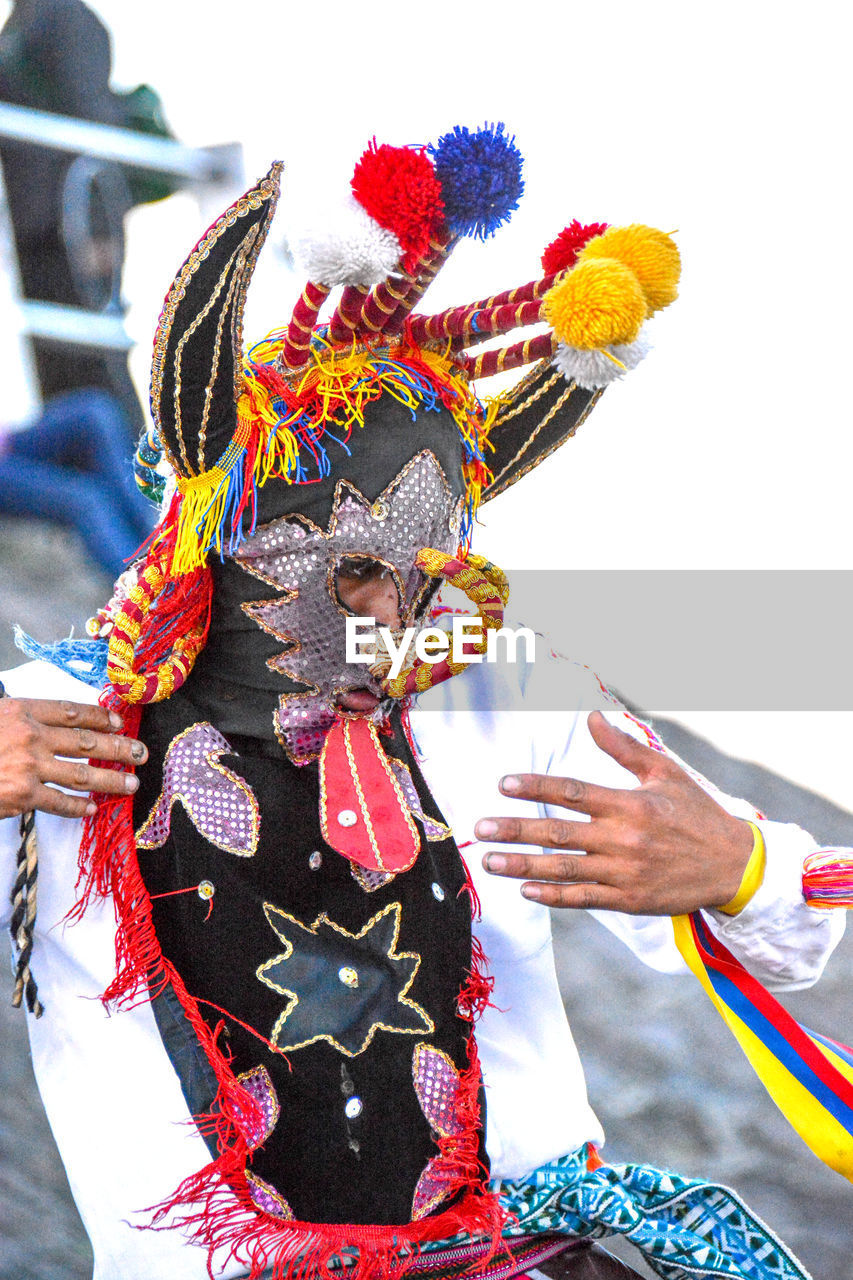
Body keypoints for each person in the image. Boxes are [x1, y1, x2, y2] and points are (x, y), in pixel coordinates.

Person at [0, 134, 846, 1280]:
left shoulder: (497, 690)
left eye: (427, 567)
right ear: (229, 530)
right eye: (353, 568)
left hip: (525, 1251)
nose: (394, 614)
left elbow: (795, 926)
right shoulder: (52, 725)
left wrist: (738, 862)